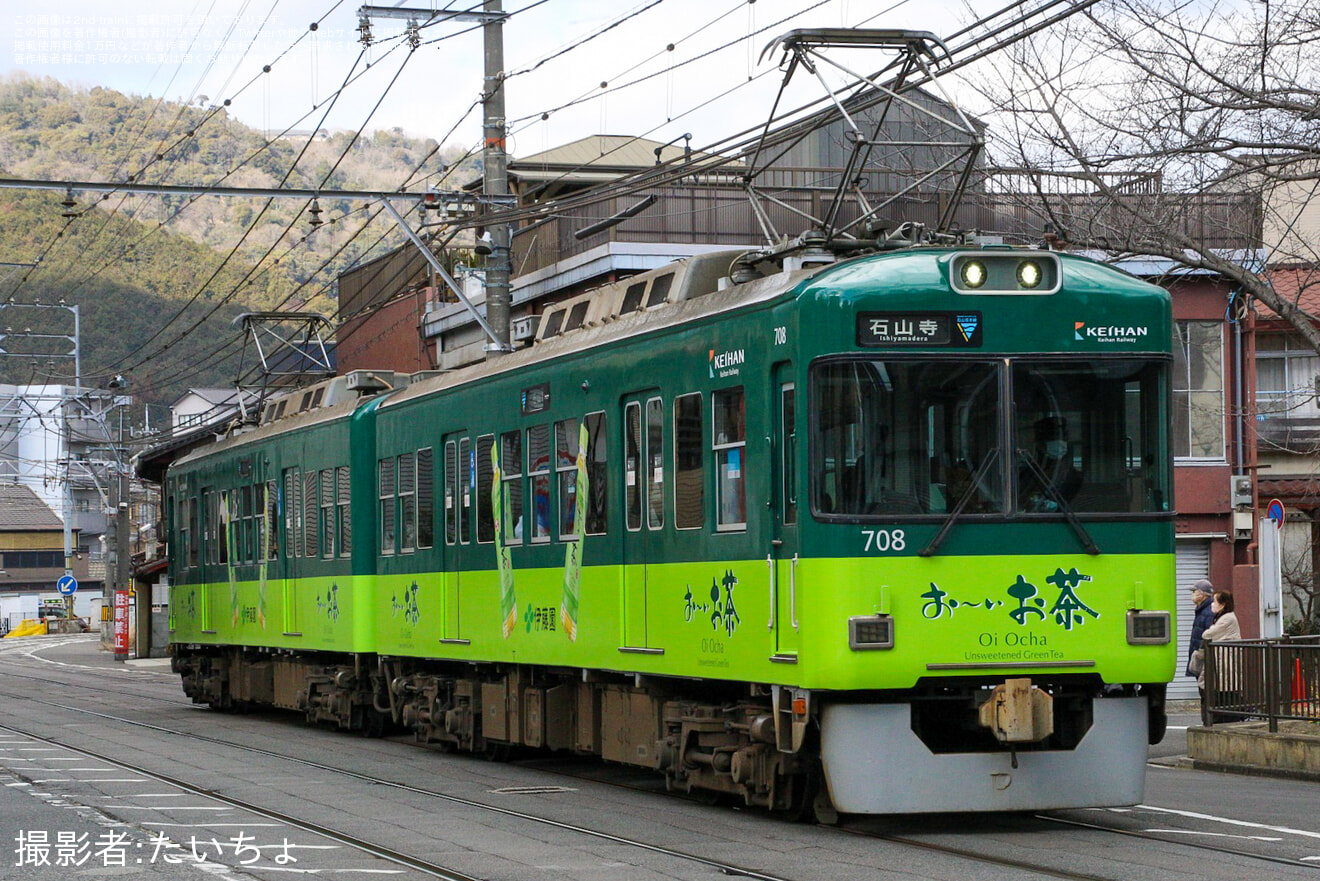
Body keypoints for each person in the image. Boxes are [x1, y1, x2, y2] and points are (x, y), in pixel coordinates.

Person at [1195, 590, 1241, 725]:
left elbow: (1208, 634)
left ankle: (1221, 717)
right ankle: (1218, 717)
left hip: (1225, 660)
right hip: (1220, 659)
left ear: (1223, 604)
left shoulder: (1227, 618)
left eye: (1215, 602)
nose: (1212, 605)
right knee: (1219, 687)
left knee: (1223, 688)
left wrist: (1209, 631)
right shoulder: (1222, 617)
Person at [1019, 415, 1081, 511]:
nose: (1059, 442)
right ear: (1040, 444)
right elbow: (1021, 501)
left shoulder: (1074, 476)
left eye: (1063, 438)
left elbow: (1079, 509)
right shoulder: (1029, 473)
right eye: (1052, 439)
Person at [1186, 579, 1215, 679]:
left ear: (1202, 594)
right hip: (1200, 656)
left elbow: (1209, 635)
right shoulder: (1202, 610)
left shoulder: (1209, 611)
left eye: (1194, 591)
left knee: (1205, 687)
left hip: (1204, 658)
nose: (1193, 595)